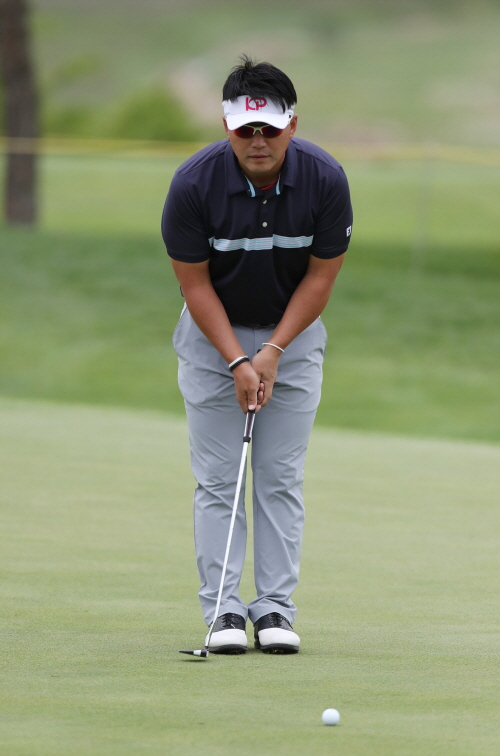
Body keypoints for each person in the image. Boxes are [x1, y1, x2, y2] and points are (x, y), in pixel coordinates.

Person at [161, 56, 353, 654]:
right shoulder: (193, 185)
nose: (258, 141)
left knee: (279, 478)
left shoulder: (325, 179)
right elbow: (194, 286)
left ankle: (273, 609)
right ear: (227, 127)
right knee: (220, 480)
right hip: (210, 339)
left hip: (292, 338)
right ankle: (222, 611)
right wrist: (237, 360)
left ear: (292, 124)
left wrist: (271, 350)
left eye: (269, 127)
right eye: (246, 129)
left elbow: (320, 279)